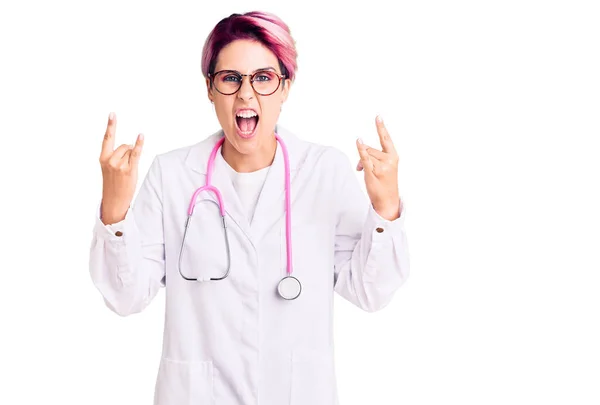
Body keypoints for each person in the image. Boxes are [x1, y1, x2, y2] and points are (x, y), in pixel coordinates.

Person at [90, 10, 410, 405]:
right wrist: (116, 209)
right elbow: (125, 298)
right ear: (210, 88)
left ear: (285, 87)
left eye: (263, 77)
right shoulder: (172, 175)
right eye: (230, 78)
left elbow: (370, 293)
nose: (246, 94)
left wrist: (386, 205)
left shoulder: (323, 171)